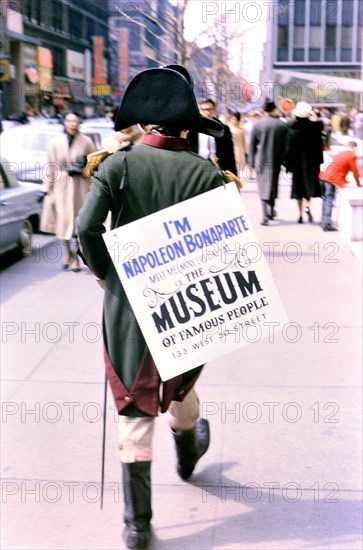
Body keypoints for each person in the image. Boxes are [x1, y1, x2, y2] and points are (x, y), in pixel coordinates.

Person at [76, 65, 226, 550]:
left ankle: (137, 526)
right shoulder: (207, 173)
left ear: (146, 122)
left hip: (128, 306)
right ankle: (188, 449)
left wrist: (108, 274)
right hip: (187, 302)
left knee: (134, 408)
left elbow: (85, 230)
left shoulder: (116, 166)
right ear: (187, 127)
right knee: (181, 387)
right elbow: (222, 250)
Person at [41, 111, 96, 271]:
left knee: (80, 223)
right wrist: (46, 188)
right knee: (64, 222)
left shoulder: (86, 141)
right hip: (61, 186)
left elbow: (94, 164)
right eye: (70, 121)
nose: (74, 124)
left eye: (76, 121)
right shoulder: (55, 142)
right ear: (65, 123)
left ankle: (78, 257)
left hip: (81, 186)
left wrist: (82, 170)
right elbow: (50, 166)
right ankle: (68, 252)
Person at [249, 99, 288, 225]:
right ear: (273, 109)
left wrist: (251, 162)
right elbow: (286, 146)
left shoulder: (257, 125)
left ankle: (264, 214)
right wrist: (285, 160)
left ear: (263, 110)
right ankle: (271, 209)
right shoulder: (281, 125)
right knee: (273, 185)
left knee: (262, 186)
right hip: (276, 159)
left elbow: (252, 145)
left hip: (261, 159)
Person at [285, 101, 324, 223]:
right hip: (311, 163)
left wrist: (287, 165)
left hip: (297, 163)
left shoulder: (291, 129)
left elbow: (288, 149)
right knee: (309, 186)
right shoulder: (315, 129)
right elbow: (320, 146)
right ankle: (308, 206)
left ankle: (300, 214)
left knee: (298, 188)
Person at [319, 141, 362, 231]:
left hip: (324, 177)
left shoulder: (341, 153)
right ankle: (326, 224)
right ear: (354, 148)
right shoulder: (351, 155)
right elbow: (355, 171)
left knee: (325, 199)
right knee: (329, 200)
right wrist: (359, 183)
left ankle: (323, 221)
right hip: (331, 179)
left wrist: (344, 180)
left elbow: (340, 167)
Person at [188, 97, 237, 173]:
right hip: (198, 167)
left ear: (214, 110)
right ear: (200, 111)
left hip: (218, 168)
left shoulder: (223, 129)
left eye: (210, 109)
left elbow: (230, 155)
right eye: (205, 109)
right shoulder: (192, 129)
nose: (208, 112)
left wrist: (233, 175)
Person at [226, 111, 247, 176]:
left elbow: (243, 141)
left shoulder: (241, 129)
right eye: (231, 118)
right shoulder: (228, 127)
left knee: (238, 168)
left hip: (239, 150)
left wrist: (245, 152)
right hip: (231, 150)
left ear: (238, 120)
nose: (232, 120)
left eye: (234, 119)